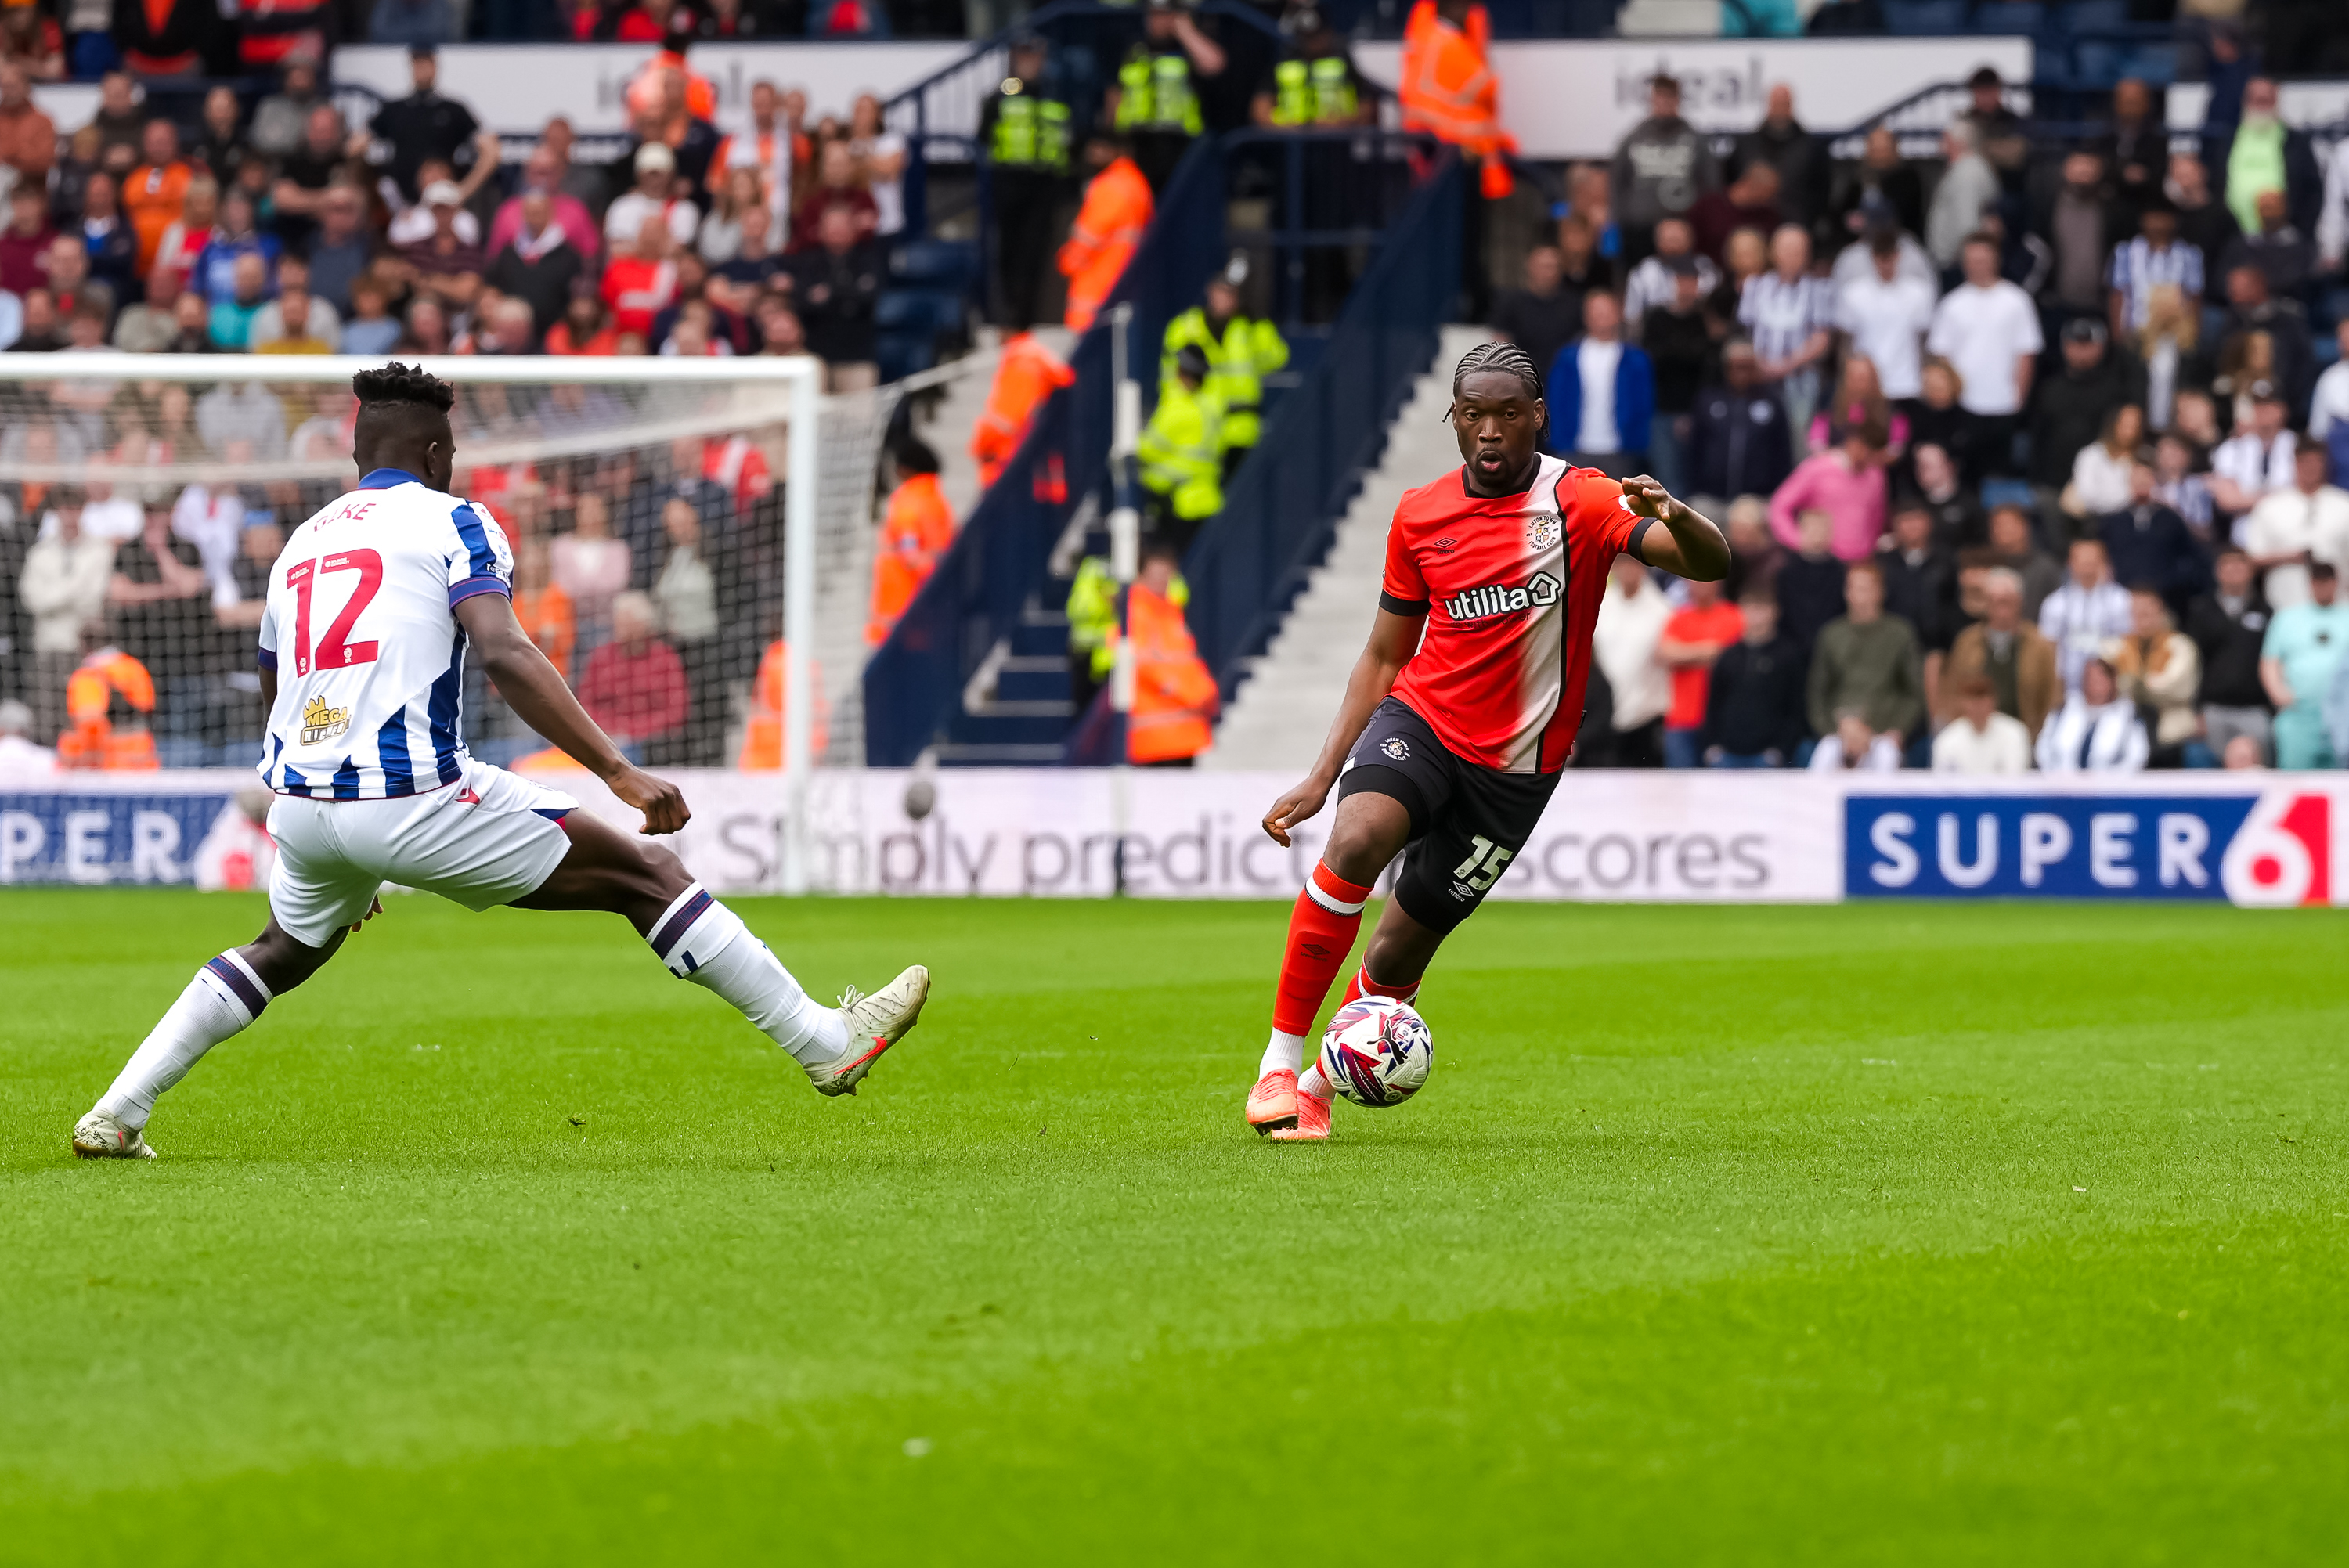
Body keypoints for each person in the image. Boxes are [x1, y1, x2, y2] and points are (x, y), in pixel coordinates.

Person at [69, 364, 931, 1160]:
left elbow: (276, 677)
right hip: (413, 793)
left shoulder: (301, 543)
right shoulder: (457, 519)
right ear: (438, 451)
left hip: (301, 801)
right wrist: (618, 772)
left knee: (282, 949)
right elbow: (505, 651)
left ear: (356, 449)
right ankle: (827, 1042)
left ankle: (118, 1110)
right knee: (648, 873)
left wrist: (332, 812)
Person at [1243, 340, 1729, 1141]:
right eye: (1475, 416)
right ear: (1456, 422)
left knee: (1398, 954)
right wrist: (1322, 773)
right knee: (1360, 837)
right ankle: (1274, 1064)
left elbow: (1710, 563)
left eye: (1509, 413)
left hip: (1514, 772)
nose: (1493, 430)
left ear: (1538, 415)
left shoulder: (1585, 498)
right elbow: (1385, 655)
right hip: (1423, 722)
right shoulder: (1420, 513)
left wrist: (1677, 513)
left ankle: (1316, 1087)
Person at [1925, 234, 2043, 476]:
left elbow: (2026, 353)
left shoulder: (2017, 301)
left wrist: (2018, 398)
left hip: (2005, 404)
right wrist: (1952, 398)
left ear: (1996, 260)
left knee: (2002, 474)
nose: (1977, 266)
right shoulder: (1951, 304)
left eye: (1983, 259)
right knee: (1966, 473)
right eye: (1972, 260)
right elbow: (1941, 357)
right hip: (1964, 406)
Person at [980, 34, 1069, 330]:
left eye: (1034, 57)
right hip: (1008, 182)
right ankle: (1006, 317)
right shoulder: (1001, 97)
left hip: (1043, 185)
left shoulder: (1055, 96)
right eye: (1024, 56)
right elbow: (984, 137)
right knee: (1007, 252)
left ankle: (1023, 320)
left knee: (1033, 255)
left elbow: (1068, 141)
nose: (1029, 63)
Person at [1161, 267, 1286, 474]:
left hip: (1240, 426)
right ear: (1210, 291)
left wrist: (1259, 325)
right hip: (1200, 425)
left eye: (1231, 293)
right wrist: (1178, 414)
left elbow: (1277, 358)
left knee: (1239, 491)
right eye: (1221, 291)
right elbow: (1170, 377)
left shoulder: (1250, 327)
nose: (1225, 299)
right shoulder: (1185, 326)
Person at [1122, 537, 1219, 766]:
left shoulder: (1170, 613)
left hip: (1182, 731)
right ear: (1141, 576)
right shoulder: (1136, 613)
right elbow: (1144, 664)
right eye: (1156, 575)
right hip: (1154, 735)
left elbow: (1187, 660)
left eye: (1167, 575)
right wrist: (1191, 693)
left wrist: (1206, 690)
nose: (1162, 582)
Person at [1110, 0, 1223, 195]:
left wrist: (1184, 31)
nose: (1157, 20)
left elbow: (1214, 64)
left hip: (1179, 142)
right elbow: (1116, 93)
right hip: (1137, 141)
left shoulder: (1186, 49)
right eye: (1153, 14)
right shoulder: (1134, 50)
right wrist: (1113, 137)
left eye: (1163, 14)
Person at [1945, 565, 2064, 741]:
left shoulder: (2039, 645)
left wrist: (2039, 737)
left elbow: (2051, 697)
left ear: (2020, 603)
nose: (2001, 611)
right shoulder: (1967, 643)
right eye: (1995, 602)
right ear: (1986, 604)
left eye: (2007, 602)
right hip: (1975, 736)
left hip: (2027, 738)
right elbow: (1953, 691)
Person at [1544, 290, 1653, 478]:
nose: (1601, 316)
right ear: (1586, 316)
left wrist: (1636, 440)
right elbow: (1556, 400)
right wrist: (1559, 439)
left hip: (1620, 450)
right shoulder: (1568, 357)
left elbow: (1644, 403)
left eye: (1606, 311)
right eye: (1595, 311)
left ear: (1618, 314)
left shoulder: (1635, 359)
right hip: (1573, 448)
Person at [1738, 225, 1833, 440]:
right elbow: (1745, 334)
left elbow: (1822, 338)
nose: (1793, 256)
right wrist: (1760, 363)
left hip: (1799, 379)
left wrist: (1786, 365)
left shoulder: (1817, 289)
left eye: (1799, 251)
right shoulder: (1755, 286)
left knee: (1797, 437)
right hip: (1759, 375)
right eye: (1787, 250)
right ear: (1773, 252)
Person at [1610, 73, 1715, 265]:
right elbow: (1618, 183)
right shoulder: (1634, 138)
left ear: (1677, 100)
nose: (1663, 103)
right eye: (1659, 97)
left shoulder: (1695, 139)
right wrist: (1620, 219)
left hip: (1683, 227)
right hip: (1640, 227)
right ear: (1651, 100)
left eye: (1669, 98)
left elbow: (1710, 184)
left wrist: (1699, 221)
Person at [2185, 546, 2274, 765]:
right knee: (2203, 765)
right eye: (2228, 565)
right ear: (2218, 571)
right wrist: (2196, 709)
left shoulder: (2265, 611)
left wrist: (2269, 708)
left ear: (2251, 571)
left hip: (2254, 710)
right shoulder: (2201, 610)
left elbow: (2272, 662)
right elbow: (2193, 663)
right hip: (2212, 709)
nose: (2234, 570)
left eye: (2239, 565)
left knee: (2257, 770)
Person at [2241, 435, 2349, 612]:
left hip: (2338, 609)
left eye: (2317, 462)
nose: (2311, 467)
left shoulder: (2344, 505)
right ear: (2295, 463)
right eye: (2305, 461)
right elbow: (2253, 558)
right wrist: (2291, 556)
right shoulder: (2270, 506)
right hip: (2283, 605)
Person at [1057, 133, 1151, 333]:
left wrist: (1068, 261)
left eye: (1099, 149)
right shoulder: (1137, 183)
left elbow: (1089, 235)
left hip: (1099, 283)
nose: (1092, 155)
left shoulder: (1110, 186)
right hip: (1125, 279)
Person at [1137, 343, 1225, 554]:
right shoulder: (1212, 407)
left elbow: (1146, 450)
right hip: (1207, 497)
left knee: (1173, 564)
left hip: (1178, 502)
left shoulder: (1177, 409)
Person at [1699, 591, 1803, 766]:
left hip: (1768, 756)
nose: (1756, 617)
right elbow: (1713, 703)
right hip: (1725, 754)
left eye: (1762, 609)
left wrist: (1780, 750)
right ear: (1741, 612)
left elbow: (1796, 707)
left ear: (1775, 612)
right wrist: (1712, 745)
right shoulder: (1728, 656)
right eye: (1750, 609)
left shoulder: (1788, 656)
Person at [2261, 560, 2348, 768]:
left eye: (2327, 581)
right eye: (2318, 581)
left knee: (2342, 787)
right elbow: (2270, 660)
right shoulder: (2287, 617)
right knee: (2295, 781)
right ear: (2310, 584)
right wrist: (2278, 692)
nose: (2322, 586)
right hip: (2300, 713)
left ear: (2337, 583)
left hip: (2344, 715)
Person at [866, 439, 953, 647]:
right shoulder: (937, 501)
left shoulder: (907, 504)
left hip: (902, 606)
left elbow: (910, 553)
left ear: (905, 469)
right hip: (927, 606)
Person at [1686, 337, 1792, 502]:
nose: (1740, 373)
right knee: (1695, 513)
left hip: (1756, 497)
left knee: (1743, 519)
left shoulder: (1771, 403)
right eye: (1735, 366)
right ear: (1726, 368)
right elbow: (1694, 449)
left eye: (1746, 367)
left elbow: (1783, 454)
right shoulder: (1708, 401)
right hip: (1709, 494)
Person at [1837, 233, 1937, 407]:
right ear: (1872, 258)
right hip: (1868, 386)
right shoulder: (1853, 294)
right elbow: (1846, 343)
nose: (1885, 265)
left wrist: (1925, 379)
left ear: (1898, 256)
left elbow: (1924, 341)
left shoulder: (1919, 293)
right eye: (1881, 259)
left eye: (1889, 259)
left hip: (1908, 384)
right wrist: (1848, 380)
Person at [971, 323, 1073, 490]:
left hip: (1009, 458)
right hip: (1028, 456)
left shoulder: (1022, 363)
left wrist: (982, 444)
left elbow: (1007, 419)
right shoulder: (1033, 358)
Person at [2106, 586, 2200, 765]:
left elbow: (2172, 687)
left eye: (2147, 612)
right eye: (2135, 613)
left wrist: (2133, 677)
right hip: (2125, 735)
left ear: (2160, 611)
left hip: (2171, 738)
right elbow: (2106, 688)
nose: (2141, 619)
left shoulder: (2180, 646)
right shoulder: (2117, 647)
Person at [1768, 420, 1886, 562]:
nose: (1869, 459)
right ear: (1852, 444)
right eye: (1867, 452)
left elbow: (1877, 516)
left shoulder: (1876, 474)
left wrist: (1872, 546)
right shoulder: (1817, 469)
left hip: (1861, 562)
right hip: (1824, 560)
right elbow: (1778, 507)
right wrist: (1798, 540)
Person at [1658, 575, 1740, 768]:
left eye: (1706, 579)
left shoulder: (1735, 617)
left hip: (1722, 719)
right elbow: (1665, 653)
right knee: (1680, 789)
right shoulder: (1678, 618)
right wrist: (1711, 650)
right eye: (1696, 579)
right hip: (1682, 719)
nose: (1701, 585)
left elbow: (1737, 657)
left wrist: (1687, 652)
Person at [2038, 536, 2135, 695]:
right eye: (2082, 561)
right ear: (2070, 563)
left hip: (2112, 689)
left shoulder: (2122, 600)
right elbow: (2049, 650)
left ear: (2105, 563)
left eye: (2093, 561)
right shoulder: (2054, 604)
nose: (2087, 567)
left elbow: (2129, 645)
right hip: (2067, 690)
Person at [1489, 244, 1582, 398]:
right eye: (1544, 266)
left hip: (1565, 384)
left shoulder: (1574, 305)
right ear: (1530, 267)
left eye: (1555, 267)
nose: (1549, 272)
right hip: (1523, 384)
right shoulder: (1511, 303)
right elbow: (1500, 343)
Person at [2036, 656, 2149, 773]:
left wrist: (2112, 783)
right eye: (2090, 678)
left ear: (2113, 681)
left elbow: (2136, 757)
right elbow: (2044, 750)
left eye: (2101, 679)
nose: (2095, 683)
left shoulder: (2128, 714)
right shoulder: (2064, 710)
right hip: (2062, 785)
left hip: (2111, 786)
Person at [1925, 121, 1999, 273]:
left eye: (1946, 137)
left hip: (1959, 265)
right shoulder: (1963, 169)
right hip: (1955, 261)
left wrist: (1967, 261)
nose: (1941, 141)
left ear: (1959, 142)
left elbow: (1968, 224)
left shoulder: (1967, 174)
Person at [1932, 673, 2031, 773]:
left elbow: (2016, 779)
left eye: (1982, 699)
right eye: (1972, 700)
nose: (1977, 707)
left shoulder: (2014, 733)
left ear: (1993, 701)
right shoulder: (1947, 740)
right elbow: (1942, 784)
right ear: (1962, 703)